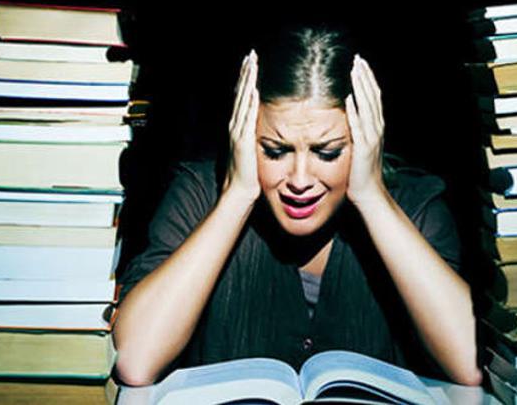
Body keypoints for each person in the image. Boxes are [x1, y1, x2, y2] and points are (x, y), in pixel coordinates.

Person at [113, 25, 482, 387]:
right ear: (243, 136)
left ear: (367, 140)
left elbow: (471, 365)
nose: (300, 180)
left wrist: (373, 197)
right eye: (275, 151)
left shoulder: (414, 207)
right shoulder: (198, 196)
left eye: (327, 152)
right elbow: (136, 361)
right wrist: (236, 197)